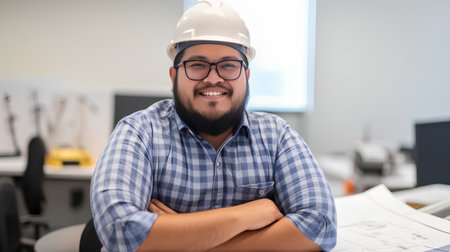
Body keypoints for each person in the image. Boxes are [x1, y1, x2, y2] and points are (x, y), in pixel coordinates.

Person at [90, 0, 337, 251]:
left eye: (229, 65)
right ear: (174, 77)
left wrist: (182, 237)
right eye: (197, 65)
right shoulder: (140, 132)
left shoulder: (277, 136)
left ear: (246, 76)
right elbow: (119, 229)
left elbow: (320, 225)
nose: (213, 78)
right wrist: (247, 215)